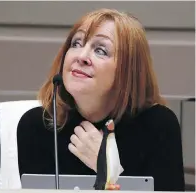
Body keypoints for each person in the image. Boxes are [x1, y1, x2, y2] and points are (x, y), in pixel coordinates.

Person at [17, 8, 185, 191]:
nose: (81, 57)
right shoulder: (38, 125)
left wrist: (109, 168)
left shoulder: (158, 125)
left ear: (127, 72)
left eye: (100, 50)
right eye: (76, 43)